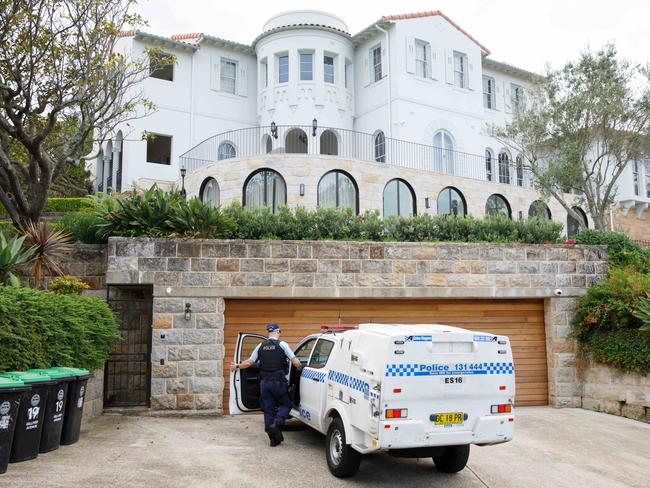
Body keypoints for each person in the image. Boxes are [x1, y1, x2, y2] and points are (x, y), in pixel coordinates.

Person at [231, 323, 302, 446]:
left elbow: (249, 363)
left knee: (268, 410)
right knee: (287, 404)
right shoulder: (283, 345)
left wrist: (237, 366)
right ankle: (278, 422)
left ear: (268, 332)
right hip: (279, 383)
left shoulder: (260, 346)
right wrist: (301, 368)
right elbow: (295, 362)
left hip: (265, 384)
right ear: (279, 331)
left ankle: (273, 439)